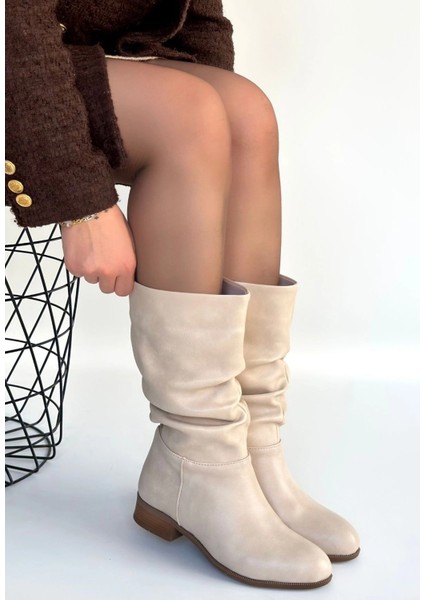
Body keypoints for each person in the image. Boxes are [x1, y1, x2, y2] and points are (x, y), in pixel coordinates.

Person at [5, 0, 360, 589]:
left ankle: (249, 451)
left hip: (68, 56)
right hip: (14, 52)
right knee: (186, 116)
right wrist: (81, 202)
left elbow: (194, 18)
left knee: (246, 112)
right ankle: (201, 456)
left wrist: (222, 145)